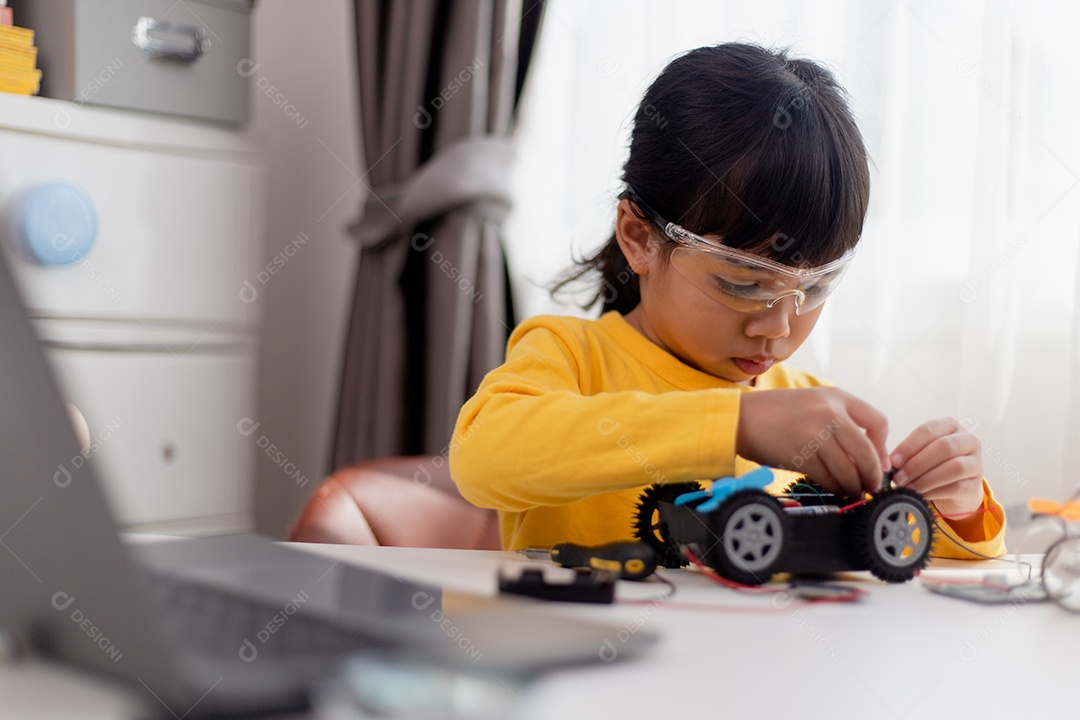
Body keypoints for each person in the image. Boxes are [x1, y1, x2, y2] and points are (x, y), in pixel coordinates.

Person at [449, 43, 1005, 558]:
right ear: (640, 238)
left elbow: (902, 554)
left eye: (813, 290)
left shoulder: (806, 409)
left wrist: (957, 505)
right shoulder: (572, 356)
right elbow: (482, 458)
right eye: (743, 285)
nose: (779, 329)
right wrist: (732, 423)